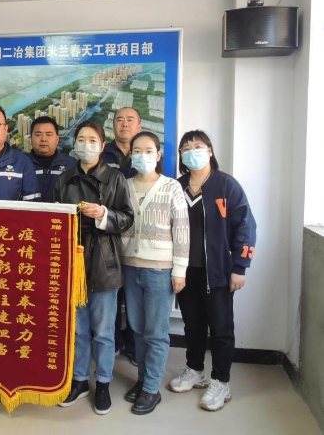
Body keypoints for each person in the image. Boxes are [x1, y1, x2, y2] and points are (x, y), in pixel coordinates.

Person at [168, 130, 256, 412]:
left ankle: (221, 381)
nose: (191, 151)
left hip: (217, 271)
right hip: (185, 270)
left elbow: (245, 227)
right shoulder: (177, 186)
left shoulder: (226, 185)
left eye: (198, 146)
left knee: (220, 327)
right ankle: (195, 370)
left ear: (210, 151)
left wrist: (240, 267)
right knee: (192, 324)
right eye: (186, 148)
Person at [54, 120, 134, 415]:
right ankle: (79, 381)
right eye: (81, 139)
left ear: (102, 146)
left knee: (103, 330)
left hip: (103, 260)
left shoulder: (115, 178)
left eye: (92, 140)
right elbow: (54, 219)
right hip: (72, 260)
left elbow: (127, 218)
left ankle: (102, 383)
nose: (85, 145)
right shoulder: (65, 178)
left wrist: (103, 214)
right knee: (77, 329)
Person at [121, 132, 189, 415]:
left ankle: (151, 389)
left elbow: (182, 231)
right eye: (137, 151)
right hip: (130, 267)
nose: (142, 156)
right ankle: (142, 380)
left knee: (156, 332)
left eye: (148, 150)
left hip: (160, 271)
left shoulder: (171, 187)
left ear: (158, 155)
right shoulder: (124, 186)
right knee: (137, 328)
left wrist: (180, 270)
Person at [101, 107, 142, 364]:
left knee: (136, 297)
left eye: (130, 120)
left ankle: (134, 346)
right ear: (113, 125)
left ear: (139, 126)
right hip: (108, 234)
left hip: (139, 237)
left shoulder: (146, 153)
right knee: (112, 293)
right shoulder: (102, 154)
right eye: (119, 120)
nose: (124, 124)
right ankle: (113, 342)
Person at [26, 116, 76, 203]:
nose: (43, 139)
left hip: (59, 212)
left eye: (49, 134)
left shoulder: (71, 164)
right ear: (31, 139)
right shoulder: (21, 164)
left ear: (57, 139)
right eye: (38, 135)